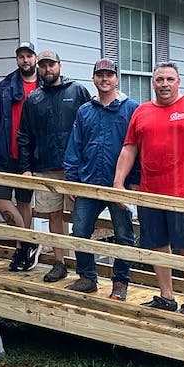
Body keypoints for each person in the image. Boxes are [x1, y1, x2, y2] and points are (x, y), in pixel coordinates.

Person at [114, 61, 184, 317]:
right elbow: (129, 148)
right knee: (157, 243)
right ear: (153, 83)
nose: (164, 84)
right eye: (159, 79)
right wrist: (118, 183)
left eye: (170, 79)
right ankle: (167, 296)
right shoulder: (141, 111)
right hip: (151, 192)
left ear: (178, 82)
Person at [62, 57, 139, 299]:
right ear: (93, 78)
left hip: (120, 185)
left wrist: (133, 182)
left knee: (124, 235)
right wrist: (71, 180)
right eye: (100, 75)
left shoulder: (131, 108)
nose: (104, 79)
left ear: (117, 78)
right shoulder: (85, 110)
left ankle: (120, 281)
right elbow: (75, 146)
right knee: (80, 230)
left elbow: (139, 148)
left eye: (109, 75)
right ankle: (87, 277)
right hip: (89, 182)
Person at [15, 49, 91, 281]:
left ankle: (86, 270)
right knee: (53, 217)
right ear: (39, 67)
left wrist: (86, 164)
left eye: (52, 65)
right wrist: (26, 167)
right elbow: (24, 136)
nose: (48, 70)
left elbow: (90, 128)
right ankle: (60, 263)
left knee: (81, 219)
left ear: (60, 65)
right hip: (45, 168)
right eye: (44, 66)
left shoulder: (77, 91)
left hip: (75, 170)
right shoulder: (33, 99)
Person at [0, 41, 41, 271]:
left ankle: (22, 250)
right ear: (17, 60)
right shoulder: (6, 86)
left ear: (35, 58)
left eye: (29, 56)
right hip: (4, 153)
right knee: (0, 198)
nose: (25, 60)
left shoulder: (44, 85)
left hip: (29, 157)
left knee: (24, 202)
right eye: (21, 56)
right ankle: (28, 242)